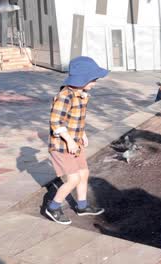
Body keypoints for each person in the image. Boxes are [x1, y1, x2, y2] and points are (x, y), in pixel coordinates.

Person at [46, 56, 108, 225]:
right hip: (62, 146)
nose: (95, 83)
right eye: (93, 79)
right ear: (83, 78)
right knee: (73, 179)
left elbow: (76, 121)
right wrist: (70, 141)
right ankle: (53, 207)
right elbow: (56, 122)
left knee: (84, 173)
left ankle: (82, 206)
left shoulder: (81, 95)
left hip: (75, 142)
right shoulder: (64, 96)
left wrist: (83, 134)